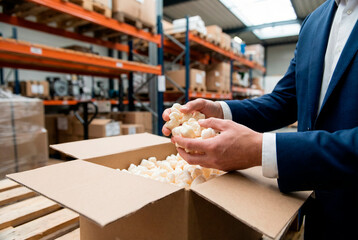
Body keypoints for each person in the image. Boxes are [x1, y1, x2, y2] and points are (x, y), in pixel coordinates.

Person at [162, 0, 358, 239]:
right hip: (318, 212)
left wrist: (262, 150)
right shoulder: (315, 21)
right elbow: (285, 99)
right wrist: (220, 110)